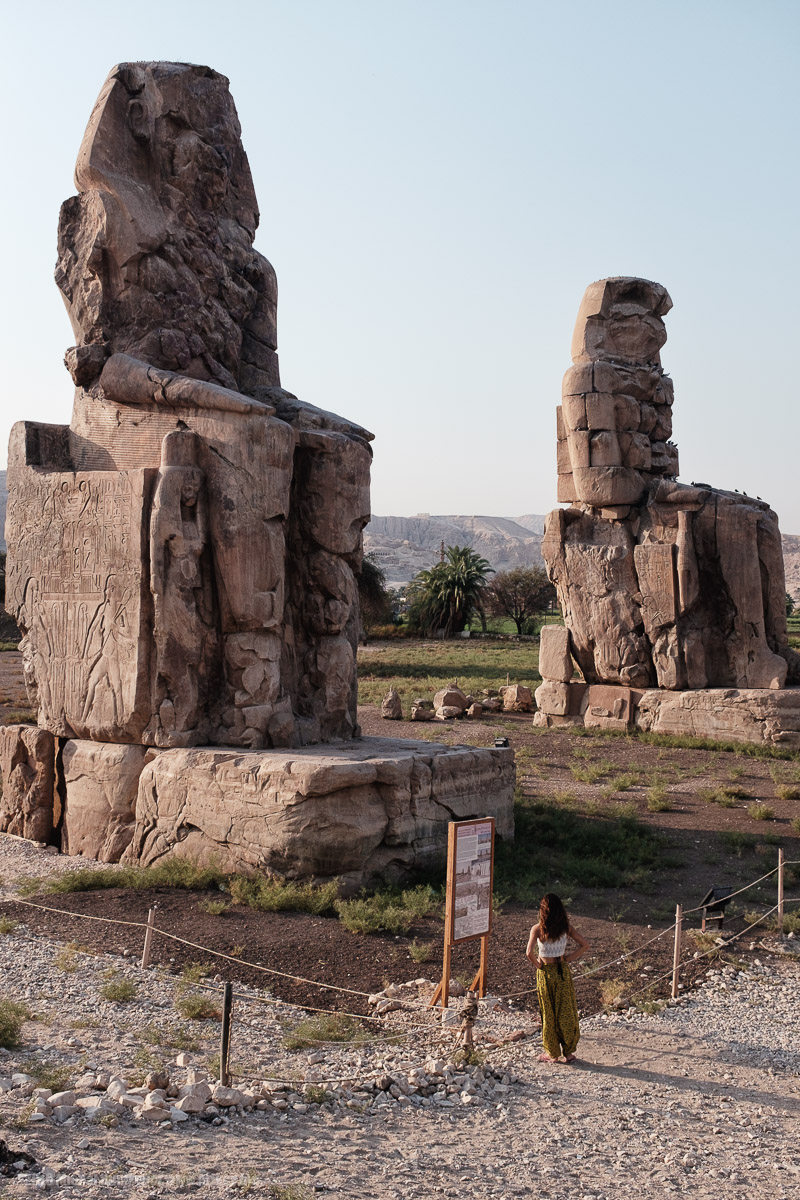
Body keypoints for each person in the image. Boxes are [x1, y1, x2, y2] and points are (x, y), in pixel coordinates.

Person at [526, 893, 590, 1064]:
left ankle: (552, 1053)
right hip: (562, 970)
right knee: (566, 1011)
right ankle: (568, 1052)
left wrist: (539, 965)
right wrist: (568, 958)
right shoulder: (566, 928)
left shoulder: (538, 929)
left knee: (548, 1012)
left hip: (546, 972)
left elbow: (528, 952)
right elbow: (585, 944)